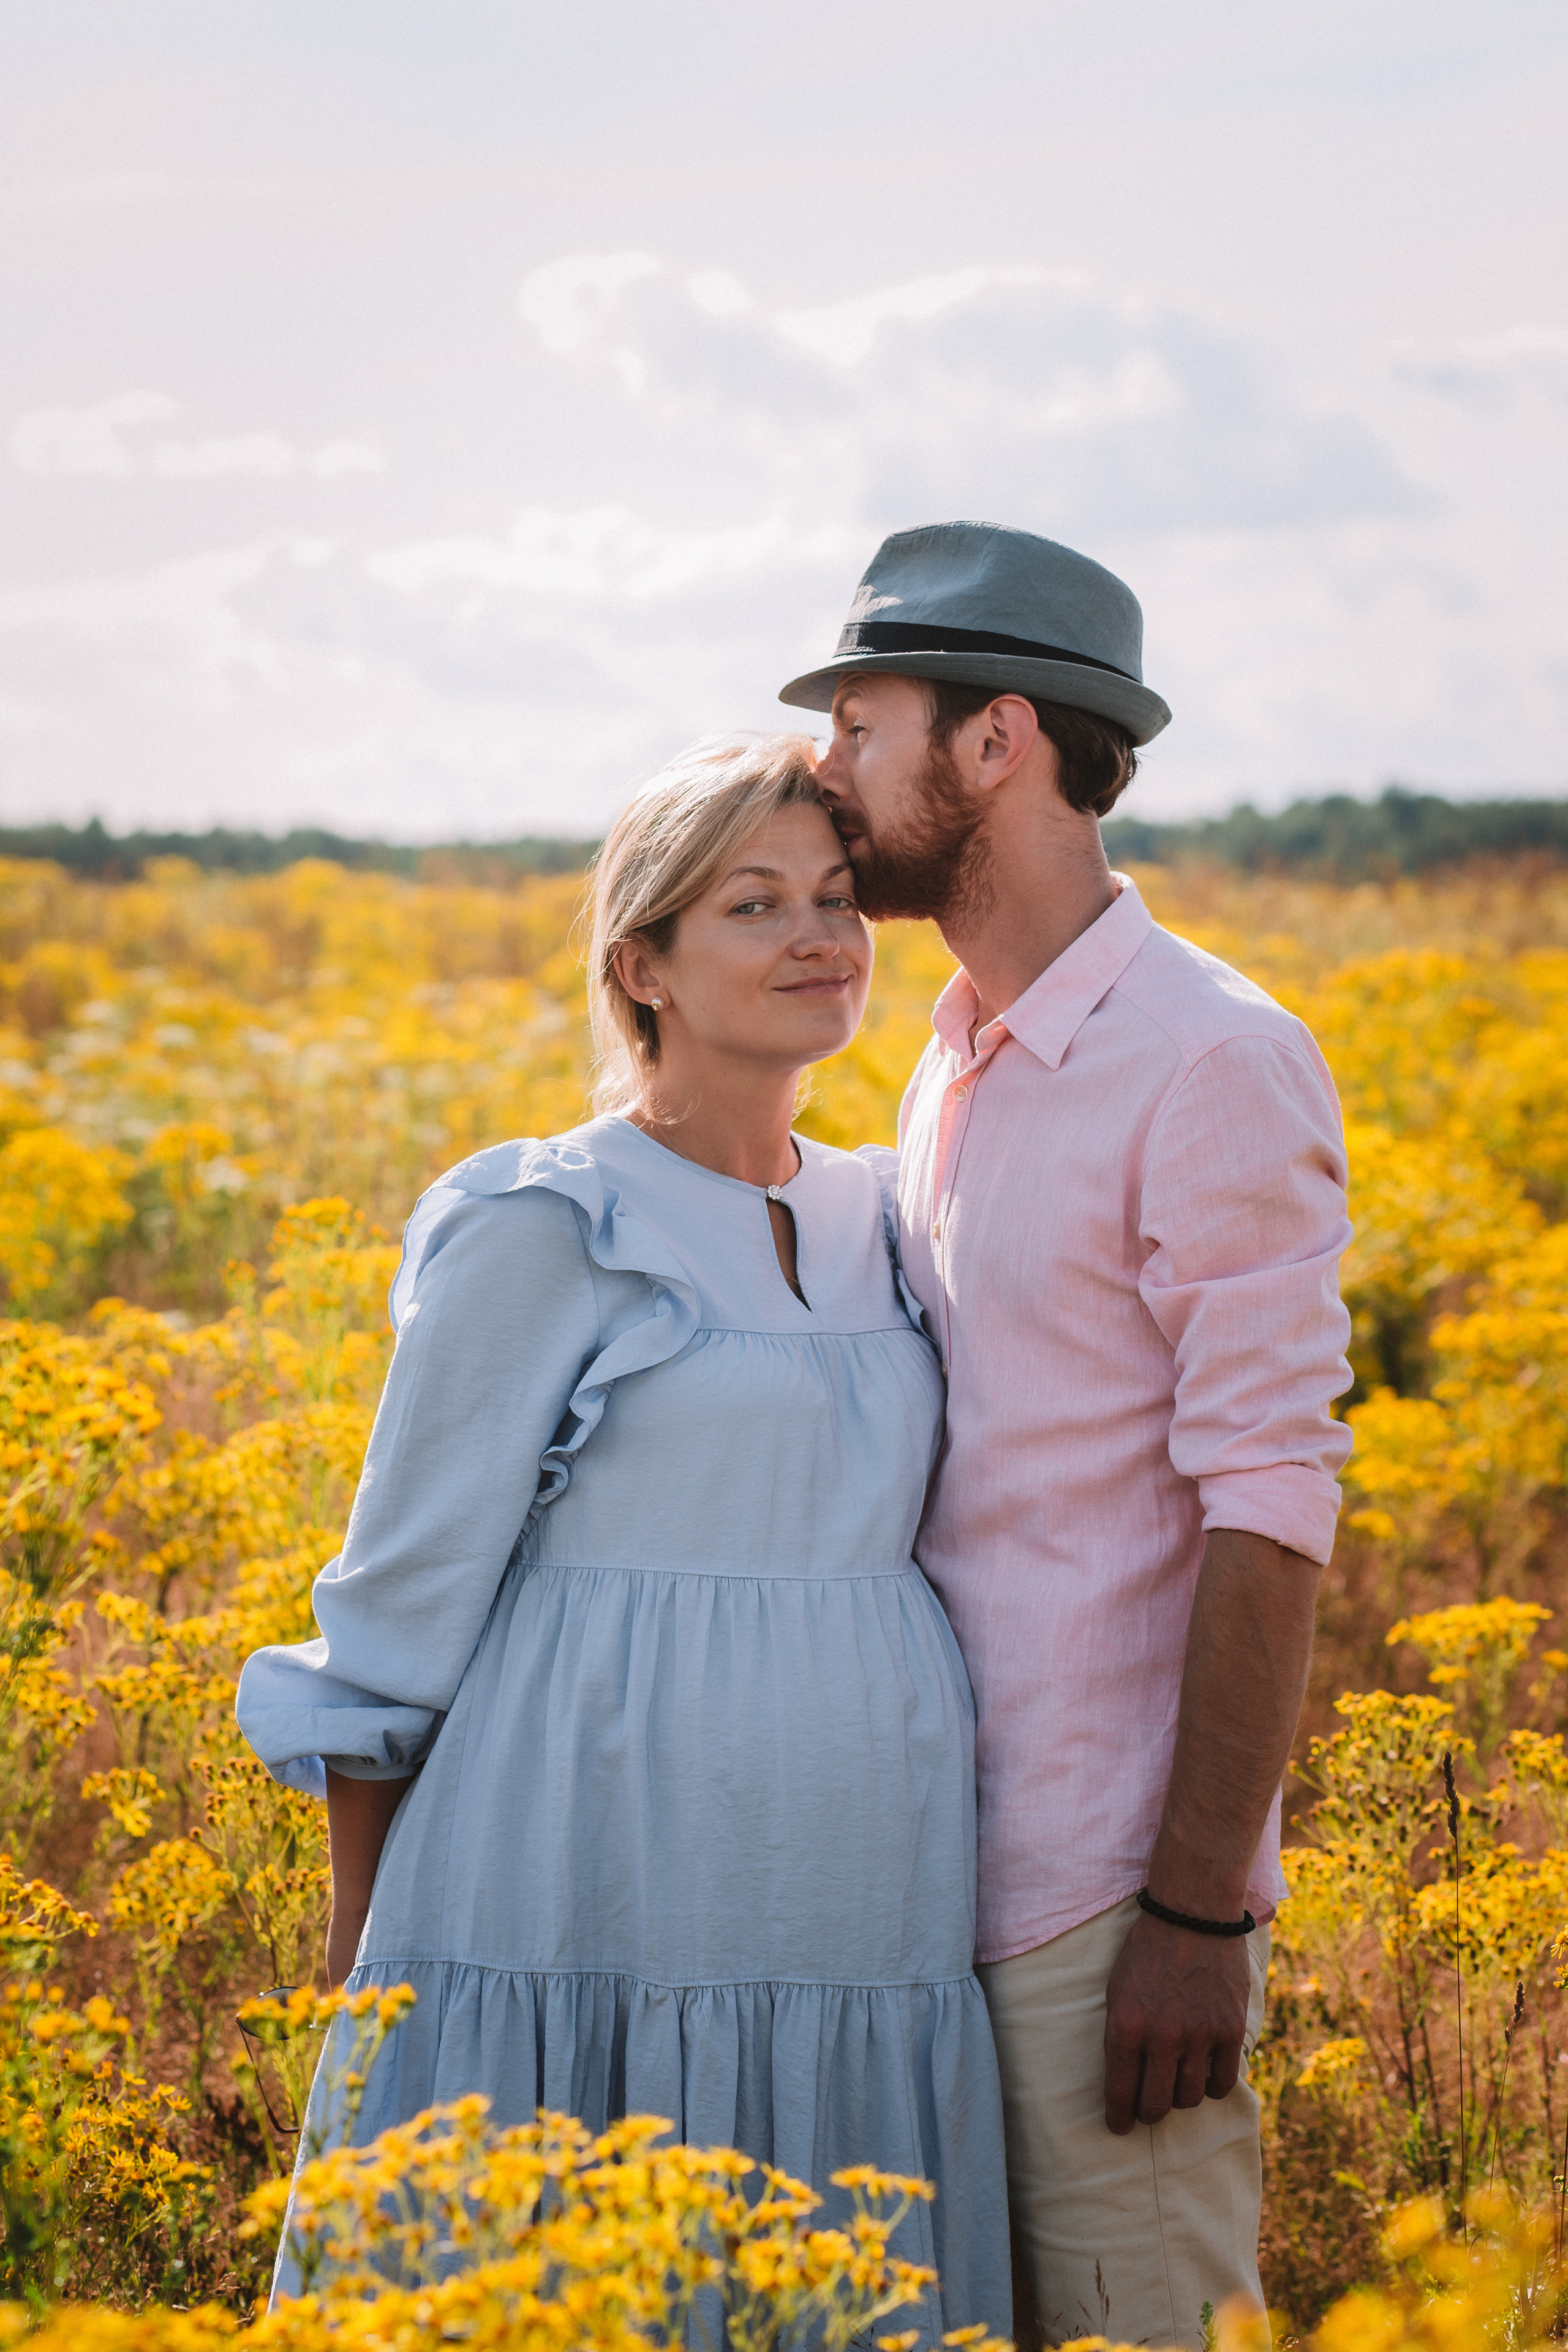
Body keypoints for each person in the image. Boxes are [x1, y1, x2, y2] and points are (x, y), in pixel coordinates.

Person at [235, 733, 1012, 2333]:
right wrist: (376, 1965)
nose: (818, 939)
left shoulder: (897, 1213)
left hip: (859, 1881)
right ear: (640, 962)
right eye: (754, 905)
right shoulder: (545, 1220)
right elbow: (401, 1602)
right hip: (576, 1866)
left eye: (837, 897)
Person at [782, 522, 1354, 2350]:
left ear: (996, 742)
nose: (826, 773)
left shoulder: (1209, 1057)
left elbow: (1271, 1504)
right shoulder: (950, 1050)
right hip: (931, 1878)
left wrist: (1192, 1911)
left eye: (862, 728)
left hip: (1107, 1911)